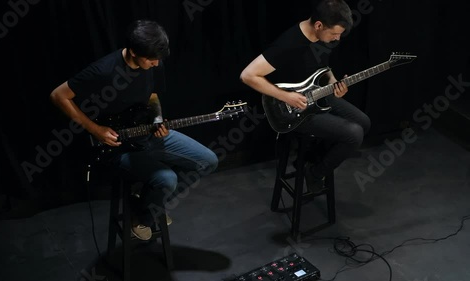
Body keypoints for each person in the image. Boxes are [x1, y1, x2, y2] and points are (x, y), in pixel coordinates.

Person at [50, 19, 218, 240]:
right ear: (133, 52)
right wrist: (95, 129)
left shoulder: (154, 61)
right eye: (151, 60)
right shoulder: (104, 70)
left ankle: (148, 201)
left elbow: (153, 95)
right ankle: (142, 216)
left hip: (146, 134)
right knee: (167, 179)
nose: (156, 64)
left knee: (208, 160)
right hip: (116, 146)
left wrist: (157, 118)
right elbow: (58, 95)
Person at [240, 0, 370, 192]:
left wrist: (334, 82)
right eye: (334, 34)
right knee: (354, 134)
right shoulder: (289, 44)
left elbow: (323, 67)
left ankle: (312, 157)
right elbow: (248, 75)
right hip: (292, 108)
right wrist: (286, 97)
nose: (336, 39)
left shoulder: (320, 37)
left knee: (364, 122)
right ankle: (315, 172)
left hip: (317, 95)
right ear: (318, 25)